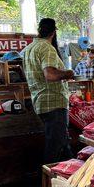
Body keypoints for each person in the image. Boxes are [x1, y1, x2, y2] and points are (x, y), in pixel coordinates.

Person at [21, 18, 74, 164]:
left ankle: (73, 177)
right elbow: (50, 74)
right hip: (54, 103)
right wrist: (68, 73)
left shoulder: (29, 49)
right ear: (54, 31)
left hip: (41, 102)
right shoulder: (46, 47)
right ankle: (49, 182)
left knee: (62, 143)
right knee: (55, 148)